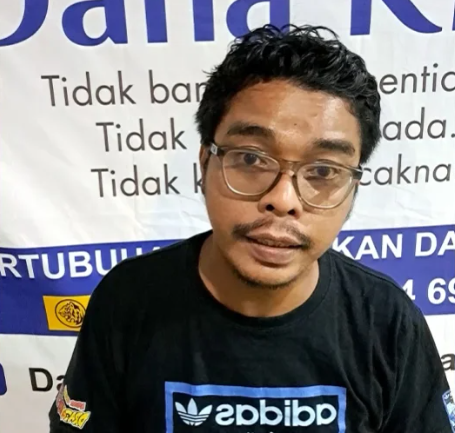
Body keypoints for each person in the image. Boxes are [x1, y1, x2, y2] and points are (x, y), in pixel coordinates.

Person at [49, 25, 453, 433]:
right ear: (205, 163)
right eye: (251, 159)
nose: (284, 199)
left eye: (323, 170)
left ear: (353, 188)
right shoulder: (128, 301)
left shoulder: (385, 321)